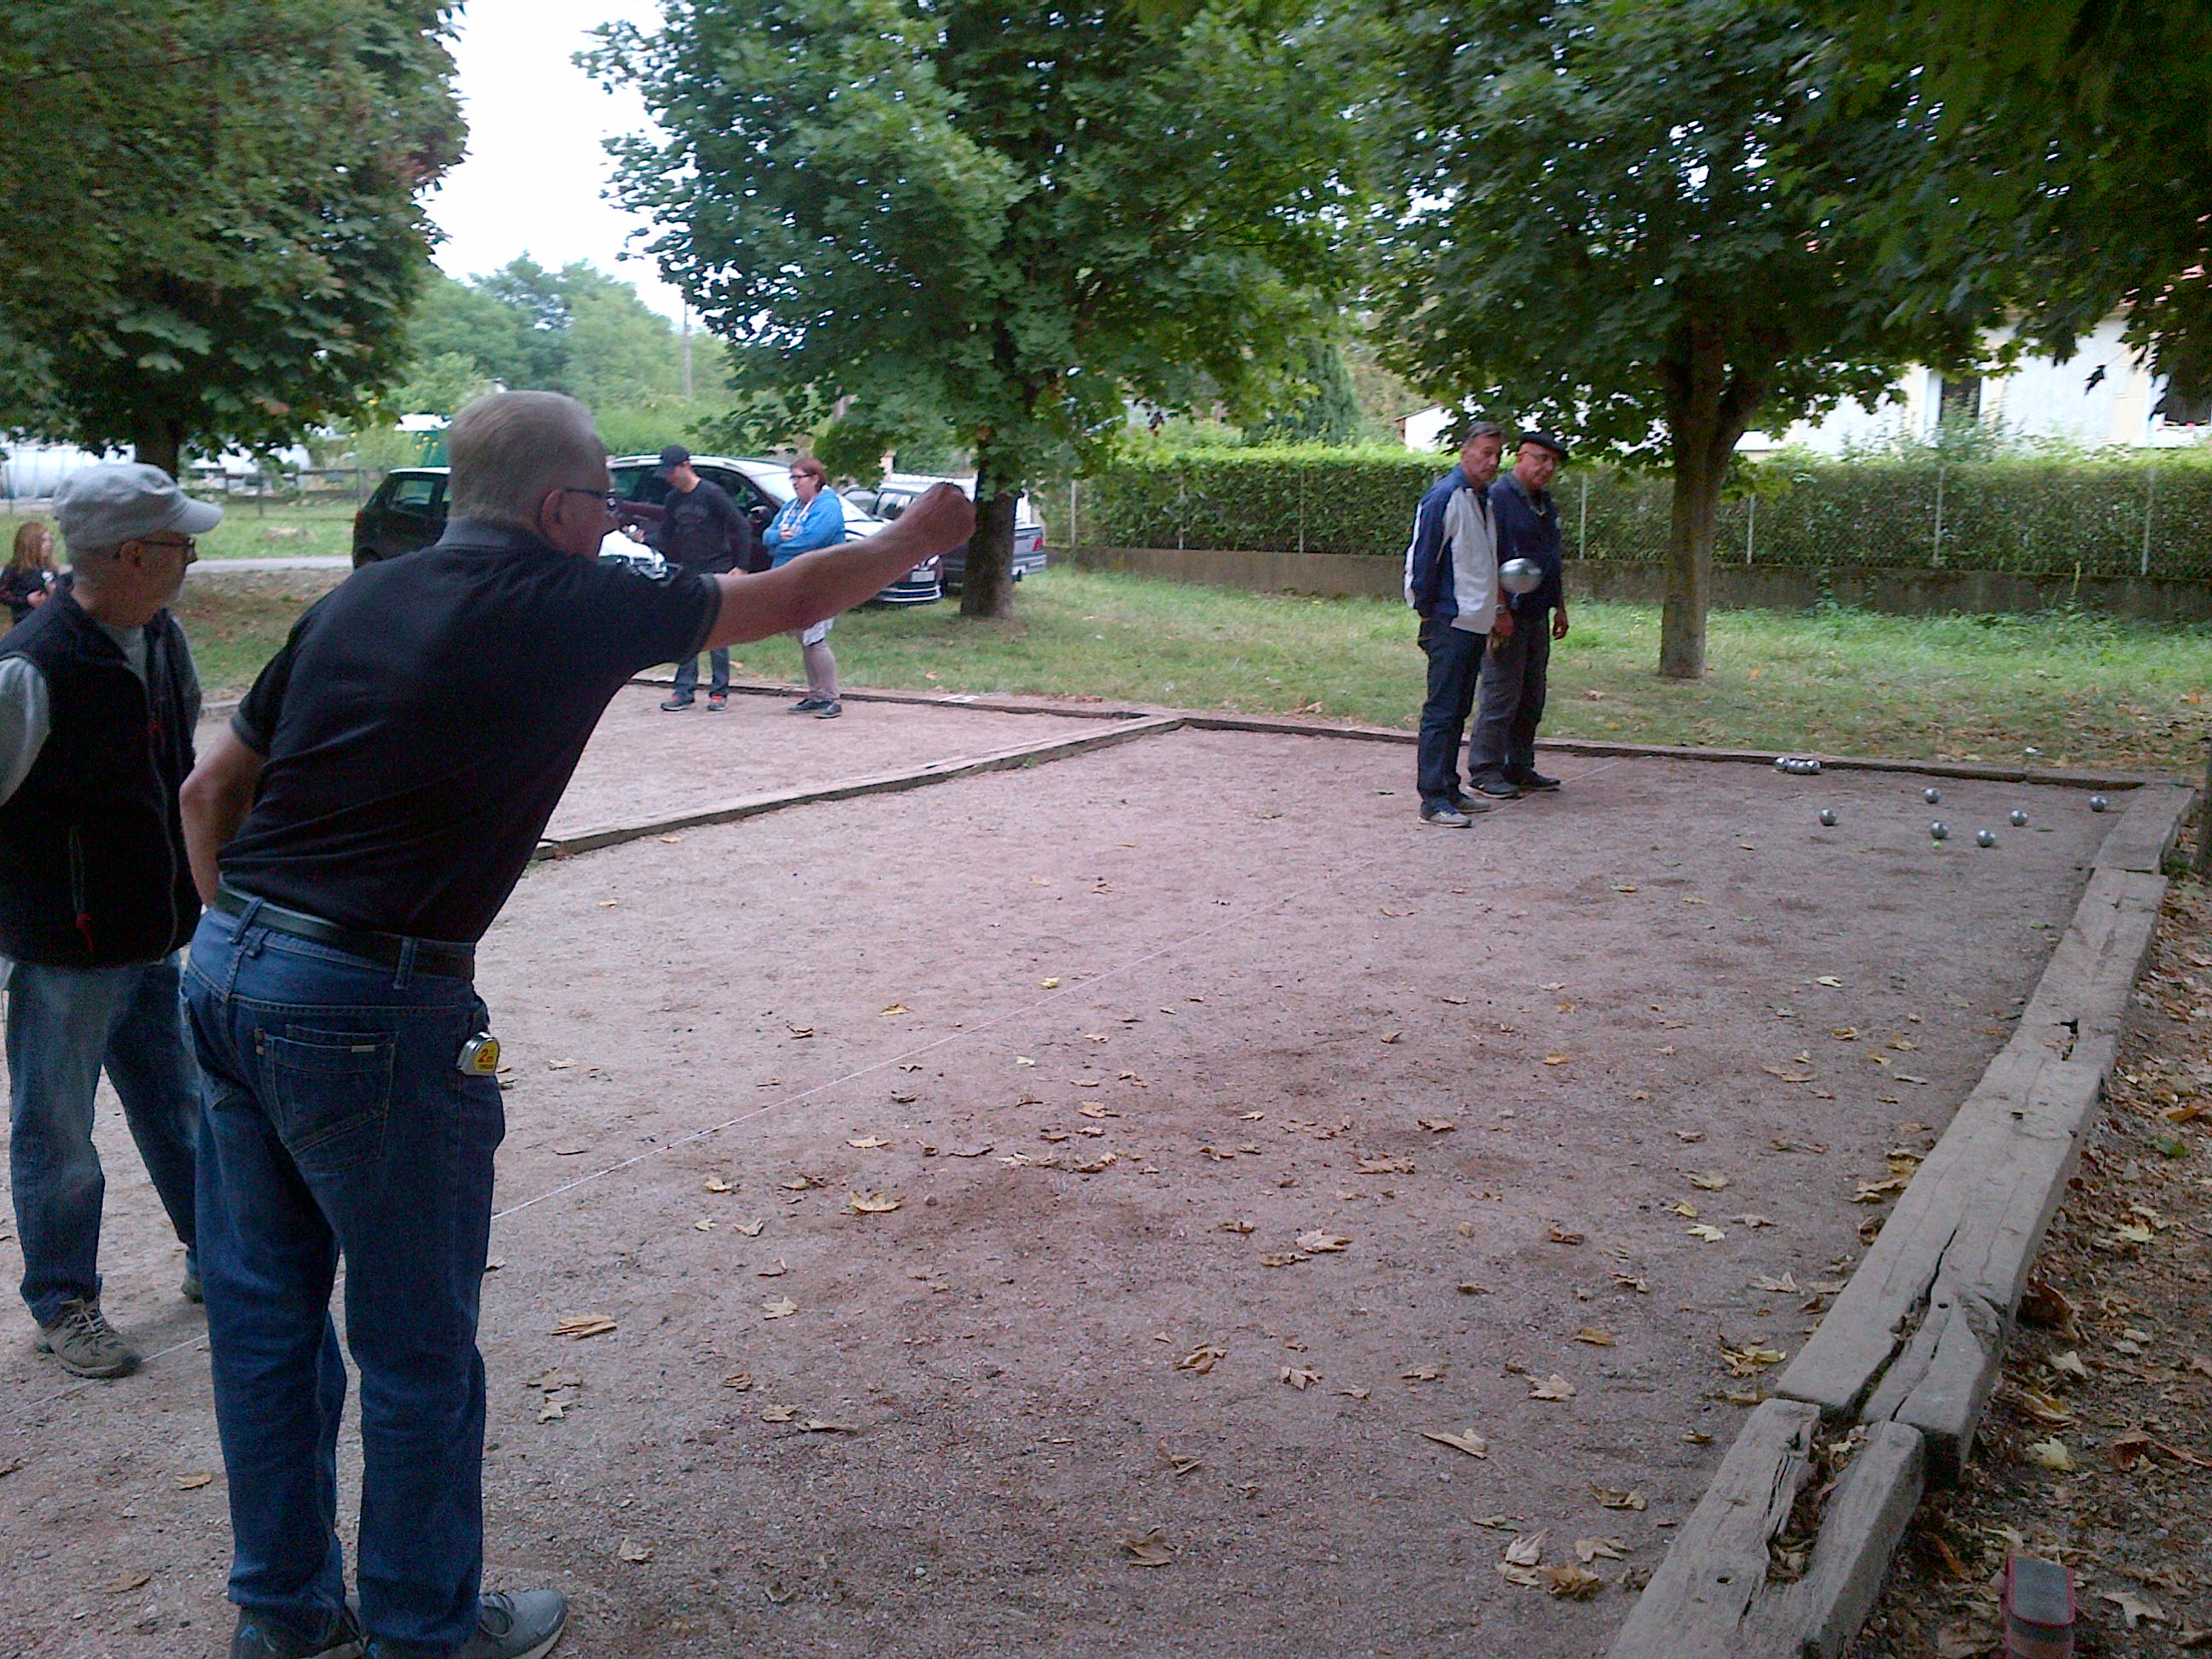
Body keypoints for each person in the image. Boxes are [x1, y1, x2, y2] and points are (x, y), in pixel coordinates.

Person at [177, 392, 974, 1659]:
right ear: (557, 508)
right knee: (417, 1349)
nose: (617, 522)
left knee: (266, 1320)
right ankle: (424, 1633)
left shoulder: (354, 601)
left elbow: (210, 789)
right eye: (607, 501)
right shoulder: (572, 600)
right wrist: (919, 535)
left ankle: (281, 1617)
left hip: (226, 970)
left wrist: (245, 949)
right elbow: (792, 595)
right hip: (375, 1000)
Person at [0, 464, 213, 1379]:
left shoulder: (161, 637)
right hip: (64, 952)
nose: (191, 558)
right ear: (130, 554)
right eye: (179, 544)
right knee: (58, 1133)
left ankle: (219, 1258)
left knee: (183, 1109)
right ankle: (63, 1303)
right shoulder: (32, 667)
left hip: (152, 935)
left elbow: (181, 773)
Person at [1403, 422, 1514, 826]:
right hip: (1450, 621)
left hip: (1473, 621)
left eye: (1497, 455)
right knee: (1442, 710)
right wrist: (1428, 613)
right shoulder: (1445, 497)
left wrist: (1494, 611)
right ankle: (1433, 799)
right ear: (1465, 452)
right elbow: (1422, 558)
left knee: (1458, 709)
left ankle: (1449, 788)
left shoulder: (1482, 500)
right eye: (1485, 453)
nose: (1492, 462)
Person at [1467, 432, 1571, 800]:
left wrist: (1560, 605)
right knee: (1501, 693)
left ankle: (1519, 766)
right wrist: (1499, 608)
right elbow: (1487, 558)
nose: (1548, 467)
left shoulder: (1543, 502)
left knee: (1531, 695)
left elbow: (1551, 558)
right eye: (1541, 458)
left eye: (1553, 462)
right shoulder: (1498, 499)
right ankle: (1485, 770)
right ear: (1520, 457)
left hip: (1537, 612)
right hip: (1507, 613)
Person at [648, 444, 757, 711]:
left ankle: (719, 691)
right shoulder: (673, 499)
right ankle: (683, 690)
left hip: (717, 567)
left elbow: (741, 528)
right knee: (687, 629)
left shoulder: (712, 493)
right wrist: (643, 541)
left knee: (717, 630)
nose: (669, 478)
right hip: (688, 569)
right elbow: (667, 534)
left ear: (685, 466)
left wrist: (742, 566)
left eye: (671, 472)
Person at [760, 456, 847, 718]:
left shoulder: (828, 507)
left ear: (815, 479)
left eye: (798, 478)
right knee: (805, 639)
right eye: (792, 478)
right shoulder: (792, 507)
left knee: (815, 638)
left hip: (820, 582)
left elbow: (810, 540)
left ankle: (831, 697)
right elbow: (767, 535)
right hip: (793, 579)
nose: (794, 483)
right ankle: (816, 695)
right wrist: (778, 537)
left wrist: (780, 543)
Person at [2, 520, 60, 625]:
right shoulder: (16, 569)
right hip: (26, 622)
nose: (48, 544)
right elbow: (3, 594)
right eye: (43, 541)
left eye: (49, 540)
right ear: (30, 544)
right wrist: (26, 600)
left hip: (50, 621)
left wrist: (56, 591)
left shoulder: (51, 568)